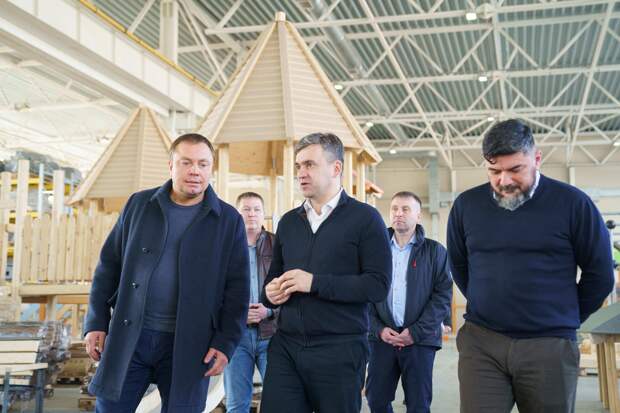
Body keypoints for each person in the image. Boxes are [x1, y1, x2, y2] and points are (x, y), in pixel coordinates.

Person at [447, 119, 614, 413]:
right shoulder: (466, 206)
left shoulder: (573, 204)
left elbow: (599, 275)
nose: (504, 180)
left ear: (536, 159)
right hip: (482, 343)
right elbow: (459, 264)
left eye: (515, 169)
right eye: (494, 171)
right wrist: (485, 301)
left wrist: (563, 317)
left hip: (549, 345)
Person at [84, 133, 250, 413]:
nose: (195, 171)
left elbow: (238, 290)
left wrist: (226, 342)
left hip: (190, 344)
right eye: (186, 162)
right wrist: (96, 322)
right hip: (130, 336)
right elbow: (108, 267)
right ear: (171, 165)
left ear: (211, 168)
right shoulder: (139, 205)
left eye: (203, 164)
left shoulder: (228, 220)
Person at [259, 132, 392, 413]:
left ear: (336, 168)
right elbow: (273, 279)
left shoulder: (366, 219)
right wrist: (270, 293)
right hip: (286, 346)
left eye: (309, 164)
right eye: (298, 166)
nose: (301, 173)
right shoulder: (288, 222)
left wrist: (315, 283)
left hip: (341, 349)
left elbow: (377, 285)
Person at [366, 191, 452, 413]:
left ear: (418, 215)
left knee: (418, 404)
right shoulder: (374, 251)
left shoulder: (435, 252)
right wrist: (378, 329)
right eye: (394, 208)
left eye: (405, 209)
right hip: (382, 339)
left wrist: (415, 332)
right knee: (376, 399)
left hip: (420, 340)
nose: (398, 213)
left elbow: (443, 296)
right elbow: (364, 292)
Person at [224, 192, 277, 412]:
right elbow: (214, 291)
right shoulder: (224, 246)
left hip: (272, 335)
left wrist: (269, 311)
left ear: (264, 214)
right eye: (246, 209)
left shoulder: (278, 245)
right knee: (237, 403)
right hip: (236, 336)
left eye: (256, 209)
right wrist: (236, 314)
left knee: (278, 402)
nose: (252, 214)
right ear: (237, 214)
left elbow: (290, 288)